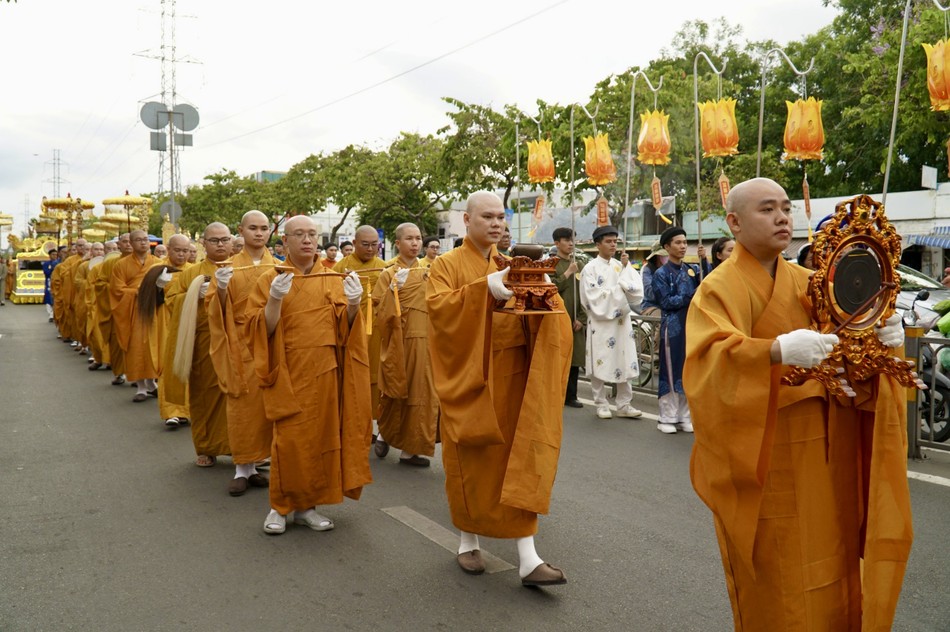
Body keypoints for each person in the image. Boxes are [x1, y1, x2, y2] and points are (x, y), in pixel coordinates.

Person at [684, 177, 913, 630]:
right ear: (734, 222)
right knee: (780, 572)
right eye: (767, 209)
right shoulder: (718, 289)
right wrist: (773, 352)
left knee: (834, 560)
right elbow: (707, 364)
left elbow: (853, 353)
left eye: (786, 208)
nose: (782, 217)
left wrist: (886, 340)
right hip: (767, 456)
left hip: (829, 455)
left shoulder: (813, 282)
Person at [427, 191, 572, 587]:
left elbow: (542, 314)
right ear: (466, 220)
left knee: (519, 458)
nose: (496, 224)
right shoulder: (446, 265)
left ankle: (528, 557)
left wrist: (544, 295)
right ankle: (467, 539)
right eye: (487, 216)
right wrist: (483, 291)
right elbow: (438, 313)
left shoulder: (514, 264)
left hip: (514, 375)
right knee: (473, 460)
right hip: (471, 378)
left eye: (501, 218)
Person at [245, 215, 372, 535]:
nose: (307, 240)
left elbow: (347, 330)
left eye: (312, 234)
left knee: (321, 441)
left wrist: (355, 303)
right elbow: (260, 330)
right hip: (287, 371)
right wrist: (274, 298)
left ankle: (307, 507)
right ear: (284, 242)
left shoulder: (331, 279)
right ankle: (279, 506)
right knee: (288, 442)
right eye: (298, 234)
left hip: (326, 372)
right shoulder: (267, 279)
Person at [207, 211, 274, 495]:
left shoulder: (281, 266)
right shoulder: (229, 267)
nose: (259, 233)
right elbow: (216, 307)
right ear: (241, 231)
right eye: (253, 228)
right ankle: (242, 468)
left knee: (271, 404)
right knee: (243, 404)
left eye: (264, 228)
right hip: (241, 343)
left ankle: (260, 464)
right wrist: (221, 288)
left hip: (272, 343)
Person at [165, 223, 233, 469]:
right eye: (214, 240)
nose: (220, 245)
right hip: (203, 341)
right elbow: (171, 301)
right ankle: (206, 447)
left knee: (237, 396)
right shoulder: (191, 273)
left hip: (236, 341)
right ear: (204, 243)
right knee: (204, 395)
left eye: (224, 239)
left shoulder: (241, 268)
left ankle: (242, 447)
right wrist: (195, 294)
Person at [371, 222, 439, 466]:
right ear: (397, 243)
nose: (415, 243)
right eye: (409, 239)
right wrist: (392, 291)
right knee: (395, 390)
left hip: (427, 339)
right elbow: (378, 311)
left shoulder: (431, 270)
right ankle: (385, 432)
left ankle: (411, 450)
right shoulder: (388, 273)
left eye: (418, 238)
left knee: (423, 393)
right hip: (400, 341)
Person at [579, 225, 643, 420]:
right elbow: (592, 299)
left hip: (621, 323)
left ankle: (624, 403)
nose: (613, 244)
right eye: (608, 241)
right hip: (600, 323)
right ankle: (601, 402)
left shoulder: (619, 265)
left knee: (624, 360)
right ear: (598, 244)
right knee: (599, 360)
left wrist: (626, 269)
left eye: (615, 241)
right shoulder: (589, 269)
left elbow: (635, 293)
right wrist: (620, 292)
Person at [652, 226, 709, 434]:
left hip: (691, 326)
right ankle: (666, 416)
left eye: (685, 242)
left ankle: (685, 415)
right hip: (673, 328)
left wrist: (704, 262)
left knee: (688, 370)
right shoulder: (661, 273)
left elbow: (707, 283)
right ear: (667, 247)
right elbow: (666, 301)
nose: (683, 246)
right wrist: (690, 296)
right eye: (678, 242)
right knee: (670, 370)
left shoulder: (691, 270)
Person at [334, 225, 386, 434]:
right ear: (354, 243)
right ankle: (349, 420)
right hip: (349, 327)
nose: (370, 249)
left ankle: (373, 424)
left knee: (375, 375)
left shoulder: (383, 268)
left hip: (376, 330)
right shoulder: (340, 268)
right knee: (350, 373)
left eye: (375, 244)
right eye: (365, 244)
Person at [110, 230, 161, 402]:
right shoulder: (121, 265)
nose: (143, 243)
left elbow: (165, 285)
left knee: (154, 346)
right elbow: (117, 290)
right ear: (131, 243)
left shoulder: (157, 263)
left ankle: (152, 383)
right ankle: (141, 387)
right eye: (138, 240)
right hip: (133, 311)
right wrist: (137, 292)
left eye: (145, 239)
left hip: (153, 309)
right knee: (137, 347)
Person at [149, 234, 192, 429]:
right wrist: (158, 287)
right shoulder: (158, 269)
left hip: (190, 324)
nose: (182, 255)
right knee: (170, 367)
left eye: (186, 251)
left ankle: (189, 410)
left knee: (192, 367)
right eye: (178, 250)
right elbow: (145, 301)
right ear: (168, 248)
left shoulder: (194, 270)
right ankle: (172, 411)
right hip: (166, 324)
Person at [549, 227, 586, 408]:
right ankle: (556, 393)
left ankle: (572, 395)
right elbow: (551, 288)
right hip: (558, 317)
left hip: (576, 319)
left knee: (575, 358)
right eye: (566, 240)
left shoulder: (580, 264)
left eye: (572, 239)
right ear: (557, 243)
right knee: (558, 356)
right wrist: (567, 273)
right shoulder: (550, 264)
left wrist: (582, 317)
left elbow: (587, 293)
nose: (571, 243)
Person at [94, 234, 131, 385]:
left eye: (131, 241)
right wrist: (117, 289)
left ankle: (138, 376)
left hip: (134, 310)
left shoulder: (145, 263)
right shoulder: (110, 264)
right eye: (124, 241)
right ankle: (119, 373)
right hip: (115, 309)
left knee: (135, 344)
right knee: (117, 343)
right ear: (119, 244)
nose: (128, 244)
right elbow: (100, 284)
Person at [639, 242, 667, 317]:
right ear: (657, 257)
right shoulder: (647, 270)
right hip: (651, 306)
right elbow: (650, 292)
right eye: (663, 256)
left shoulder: (670, 269)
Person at [41, 248, 59, 320]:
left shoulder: (59, 263)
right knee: (48, 297)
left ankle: (56, 313)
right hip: (49, 281)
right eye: (53, 254)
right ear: (49, 255)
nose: (54, 256)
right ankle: (51, 314)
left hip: (57, 282)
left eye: (56, 254)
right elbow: (46, 273)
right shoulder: (46, 264)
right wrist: (52, 268)